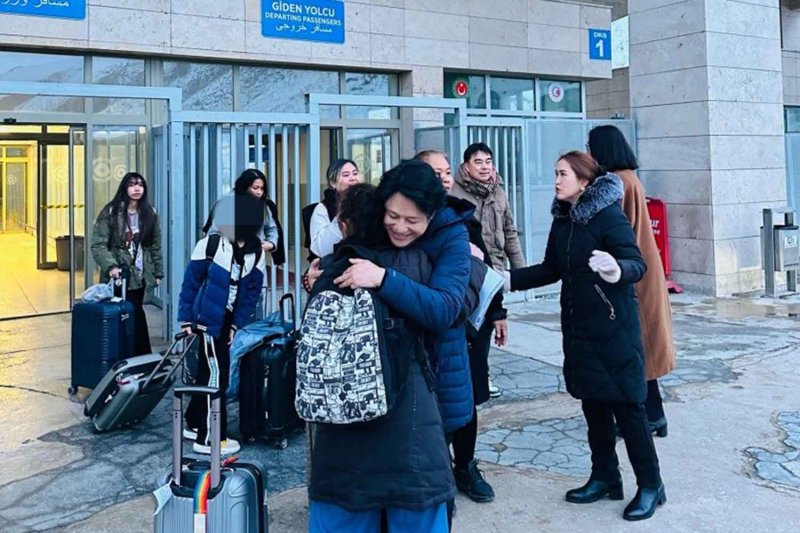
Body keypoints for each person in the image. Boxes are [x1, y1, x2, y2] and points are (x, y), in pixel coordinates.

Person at [309, 163, 471, 532]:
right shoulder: (354, 258)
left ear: (432, 214)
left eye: (412, 220)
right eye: (392, 216)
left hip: (422, 384)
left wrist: (382, 278)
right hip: (386, 402)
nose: (400, 227)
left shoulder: (449, 239)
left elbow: (446, 307)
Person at [505, 151, 666, 521]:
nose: (556, 180)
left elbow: (636, 263)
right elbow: (552, 268)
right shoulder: (564, 219)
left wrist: (615, 270)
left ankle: (651, 485)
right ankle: (605, 476)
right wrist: (508, 279)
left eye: (562, 174)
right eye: (555, 173)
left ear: (584, 181)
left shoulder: (609, 215)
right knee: (593, 405)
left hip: (614, 330)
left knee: (628, 409)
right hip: (579, 330)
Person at [415, 149, 506, 503]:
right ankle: (436, 468)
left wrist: (497, 312)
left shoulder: (460, 218)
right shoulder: (405, 219)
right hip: (429, 324)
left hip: (468, 327)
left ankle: (466, 466)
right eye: (434, 172)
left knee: (467, 400)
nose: (444, 178)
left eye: (447, 171)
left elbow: (485, 271)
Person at [587, 125, 676, 437]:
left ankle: (649, 417)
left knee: (638, 350)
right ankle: (652, 415)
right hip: (641, 270)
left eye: (590, 148)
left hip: (632, 274)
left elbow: (616, 230)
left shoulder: (618, 182)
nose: (587, 154)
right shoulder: (628, 178)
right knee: (642, 349)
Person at [178, 194, 266, 456]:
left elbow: (252, 292)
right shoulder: (210, 245)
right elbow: (191, 283)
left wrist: (236, 324)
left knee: (208, 371)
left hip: (226, 320)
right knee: (218, 374)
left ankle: (195, 423)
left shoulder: (256, 251)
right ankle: (210, 437)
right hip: (206, 319)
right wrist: (186, 319)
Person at [450, 142, 524, 399]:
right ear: (466, 166)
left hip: (496, 266)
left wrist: (520, 270)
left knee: (489, 321)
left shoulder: (498, 192)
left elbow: (510, 231)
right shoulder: (456, 193)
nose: (484, 167)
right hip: (471, 268)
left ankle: (482, 372)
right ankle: (474, 375)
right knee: (472, 322)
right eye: (478, 162)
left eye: (488, 161)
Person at [91, 172, 163, 356]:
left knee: (135, 312)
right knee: (127, 315)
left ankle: (140, 359)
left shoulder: (149, 213)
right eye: (132, 185)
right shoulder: (111, 212)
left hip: (139, 275)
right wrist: (112, 267)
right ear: (125, 188)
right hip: (119, 275)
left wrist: (158, 273)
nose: (137, 188)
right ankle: (125, 357)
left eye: (140, 185)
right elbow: (98, 245)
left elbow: (155, 245)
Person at [203, 168, 286, 265]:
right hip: (228, 261)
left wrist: (271, 243)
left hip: (256, 260)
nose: (259, 192)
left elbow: (272, 228)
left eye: (262, 189)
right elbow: (213, 232)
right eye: (255, 188)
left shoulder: (264, 207)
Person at [303, 159, 361, 260]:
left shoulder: (367, 202)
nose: (353, 178)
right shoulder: (322, 209)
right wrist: (342, 215)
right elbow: (321, 250)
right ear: (333, 183)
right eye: (346, 175)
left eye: (355, 173)